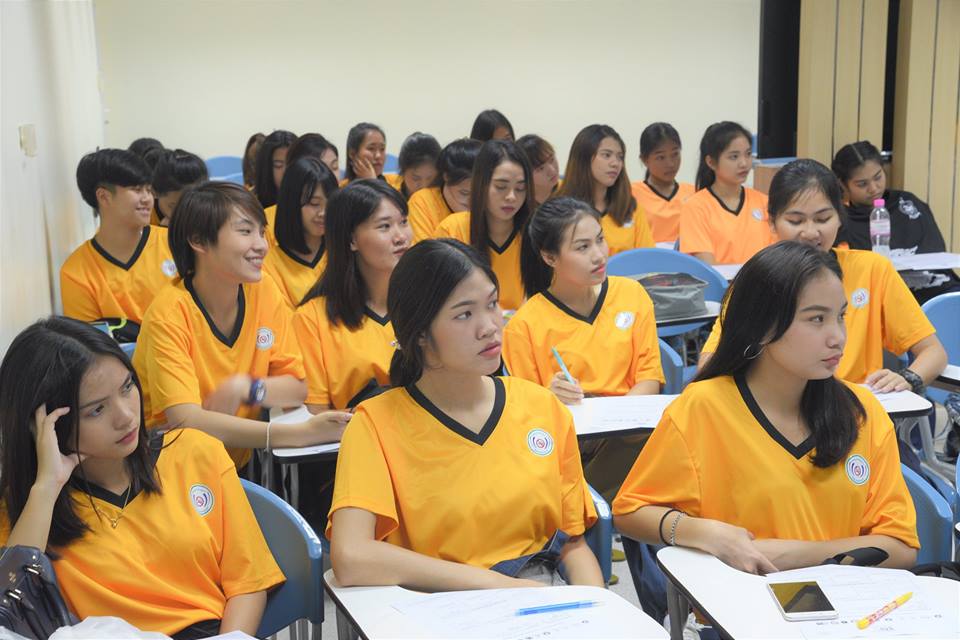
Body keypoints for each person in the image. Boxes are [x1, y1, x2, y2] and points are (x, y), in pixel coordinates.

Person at [614, 241, 919, 577]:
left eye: (841, 316)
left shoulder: (861, 411)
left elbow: (901, 547)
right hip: (741, 602)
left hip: (847, 603)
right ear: (763, 326)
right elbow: (630, 511)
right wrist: (706, 533)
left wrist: (793, 555)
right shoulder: (703, 407)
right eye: (817, 319)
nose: (838, 337)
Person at [328, 239, 603, 590]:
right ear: (420, 333)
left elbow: (571, 542)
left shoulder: (541, 406)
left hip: (539, 595)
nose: (489, 326)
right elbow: (351, 557)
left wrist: (596, 605)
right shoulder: (375, 424)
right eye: (464, 314)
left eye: (492, 304)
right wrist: (506, 590)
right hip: (431, 602)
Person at [0, 317, 285, 638]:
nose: (125, 416)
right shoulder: (30, 508)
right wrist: (46, 487)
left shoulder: (195, 452)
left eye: (127, 387)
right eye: (97, 410)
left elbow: (248, 584)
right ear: (47, 427)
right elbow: (11, 613)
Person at [132, 182, 351, 469]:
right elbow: (187, 421)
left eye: (261, 232)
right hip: (172, 470)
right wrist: (299, 434)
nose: (261, 245)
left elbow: (296, 387)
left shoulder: (262, 289)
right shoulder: (168, 313)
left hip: (234, 463)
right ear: (198, 240)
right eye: (245, 231)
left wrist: (246, 388)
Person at [698, 159, 947, 393]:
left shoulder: (872, 269)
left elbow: (933, 352)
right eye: (795, 221)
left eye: (822, 219)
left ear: (840, 217)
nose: (810, 232)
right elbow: (711, 362)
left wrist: (908, 378)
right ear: (772, 222)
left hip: (855, 408)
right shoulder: (757, 278)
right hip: (777, 410)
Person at [504, 196, 663, 500]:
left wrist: (618, 422)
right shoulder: (524, 326)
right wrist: (549, 395)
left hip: (631, 428)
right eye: (582, 247)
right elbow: (526, 416)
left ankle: (594, 506)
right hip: (572, 444)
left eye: (600, 240)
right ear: (550, 258)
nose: (599, 255)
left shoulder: (631, 294)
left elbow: (649, 378)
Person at [61, 149, 177, 337]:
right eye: (137, 190)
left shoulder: (174, 243)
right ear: (104, 197)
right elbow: (90, 345)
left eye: (149, 190)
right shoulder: (76, 272)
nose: (147, 199)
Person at [832, 140, 960, 304]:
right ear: (843, 184)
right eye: (862, 184)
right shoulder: (841, 220)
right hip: (881, 296)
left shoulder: (907, 203)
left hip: (937, 288)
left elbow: (936, 251)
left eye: (878, 177)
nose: (874, 188)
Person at [432, 140, 532, 311]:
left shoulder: (535, 236)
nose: (512, 197)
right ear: (480, 184)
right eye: (501, 187)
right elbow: (437, 298)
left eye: (520, 188)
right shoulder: (452, 230)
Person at [678, 121, 773, 265]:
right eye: (734, 157)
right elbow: (708, 268)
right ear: (711, 162)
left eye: (748, 154)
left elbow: (776, 257)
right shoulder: (695, 207)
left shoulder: (764, 202)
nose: (744, 163)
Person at [556, 125, 654, 255]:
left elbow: (648, 257)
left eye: (620, 157)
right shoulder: (560, 210)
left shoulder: (630, 208)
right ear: (584, 158)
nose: (615, 163)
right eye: (606, 155)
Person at [263, 157, 339, 308]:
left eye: (330, 203)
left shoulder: (343, 251)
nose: (323, 213)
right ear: (291, 204)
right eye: (314, 204)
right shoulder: (268, 267)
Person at [631, 122, 695, 244]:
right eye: (661, 157)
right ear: (644, 160)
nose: (670, 164)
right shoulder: (631, 194)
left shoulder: (694, 193)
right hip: (647, 255)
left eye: (675, 154)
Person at [407, 137, 482, 242]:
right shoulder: (422, 202)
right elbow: (423, 251)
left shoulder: (493, 204)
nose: (473, 202)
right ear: (446, 177)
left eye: (480, 194)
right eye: (464, 193)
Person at [151, 149, 208, 226]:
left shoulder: (212, 210)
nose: (184, 215)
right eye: (175, 207)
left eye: (192, 206)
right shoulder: (144, 213)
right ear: (154, 192)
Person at [388, 132, 441, 199]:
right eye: (416, 178)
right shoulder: (390, 197)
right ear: (403, 171)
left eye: (431, 179)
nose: (423, 186)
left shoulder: (444, 197)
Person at [253, 130, 296, 208]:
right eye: (278, 165)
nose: (286, 171)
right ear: (266, 169)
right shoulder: (252, 205)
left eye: (292, 164)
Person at [516, 134, 560, 206]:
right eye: (540, 168)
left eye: (552, 160)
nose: (552, 171)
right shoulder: (519, 205)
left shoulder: (566, 190)